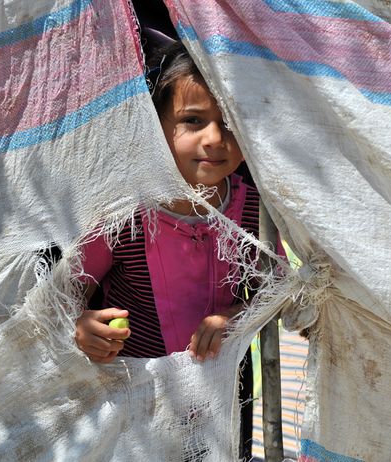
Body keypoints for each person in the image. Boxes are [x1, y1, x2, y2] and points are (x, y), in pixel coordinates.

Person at [73, 41, 257, 457]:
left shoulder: (251, 209)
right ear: (155, 126)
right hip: (138, 402)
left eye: (229, 122)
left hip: (221, 400)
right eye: (193, 121)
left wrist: (233, 316)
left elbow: (274, 289)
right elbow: (70, 288)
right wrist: (83, 327)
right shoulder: (124, 214)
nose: (215, 138)